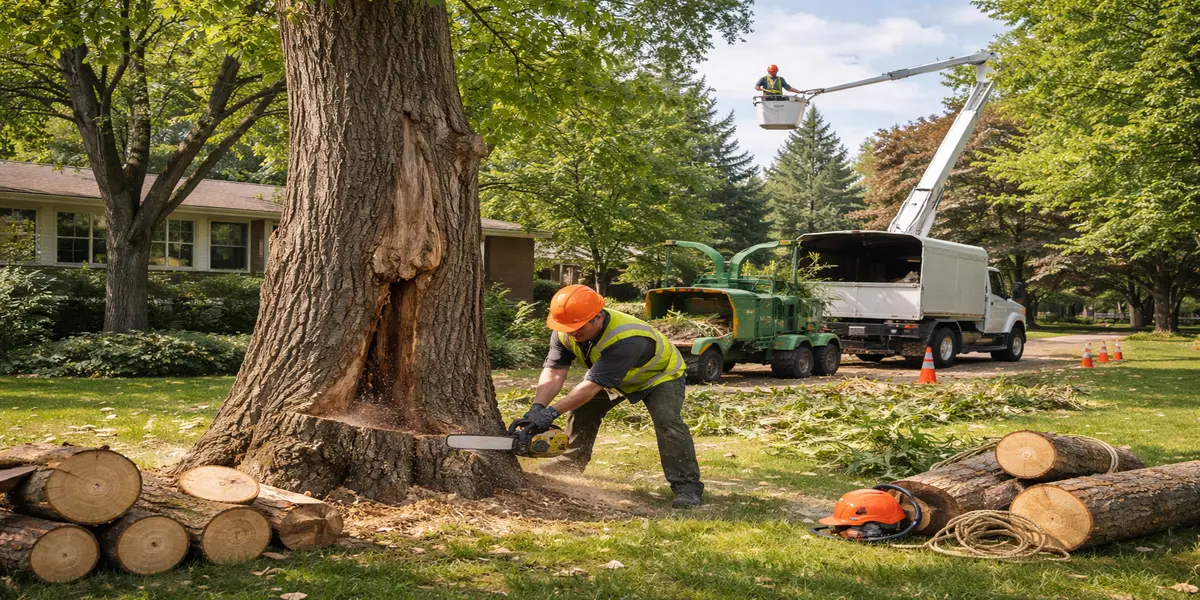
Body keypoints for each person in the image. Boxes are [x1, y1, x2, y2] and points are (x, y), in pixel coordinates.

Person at [515, 284, 704, 508]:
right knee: (583, 410)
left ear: (598, 318)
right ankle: (568, 467)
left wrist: (551, 413)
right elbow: (555, 371)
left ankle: (687, 487)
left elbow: (593, 385)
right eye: (567, 327)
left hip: (658, 375)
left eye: (578, 327)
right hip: (613, 375)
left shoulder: (627, 337)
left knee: (667, 421)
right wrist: (538, 407)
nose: (573, 333)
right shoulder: (565, 330)